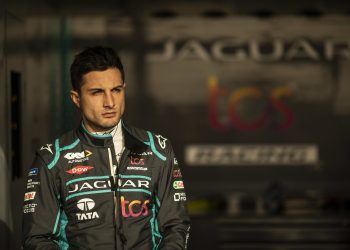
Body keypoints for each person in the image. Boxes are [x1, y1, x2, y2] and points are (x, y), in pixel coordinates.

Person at [22, 46, 190, 249]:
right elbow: (37, 238)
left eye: (116, 90)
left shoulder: (157, 150)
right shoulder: (51, 159)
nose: (110, 102)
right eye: (97, 92)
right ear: (77, 98)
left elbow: (175, 226)